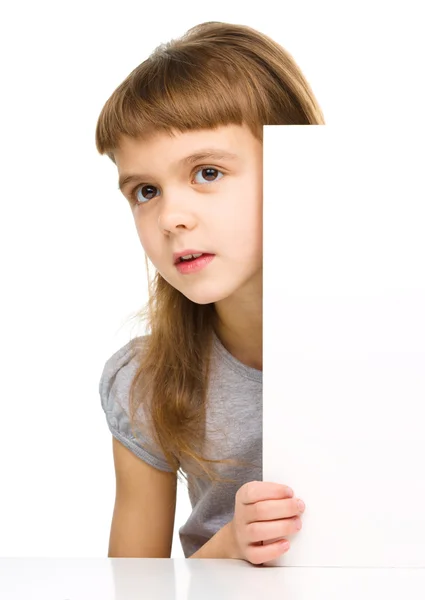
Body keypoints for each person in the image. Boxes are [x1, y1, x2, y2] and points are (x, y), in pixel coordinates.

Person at [95, 20, 325, 565]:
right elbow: (133, 587)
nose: (172, 217)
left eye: (207, 172)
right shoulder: (147, 382)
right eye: (145, 191)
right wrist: (225, 550)